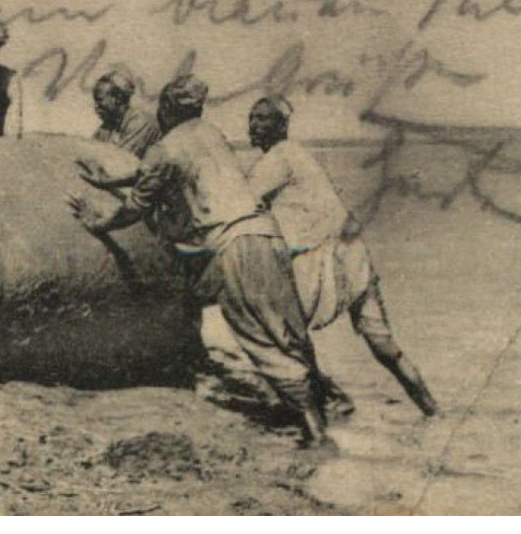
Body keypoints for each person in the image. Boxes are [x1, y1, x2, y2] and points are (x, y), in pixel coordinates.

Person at [72, 75, 330, 447]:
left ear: (168, 108)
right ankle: (324, 412)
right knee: (289, 328)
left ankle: (317, 435)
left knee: (257, 336)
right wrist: (117, 176)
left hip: (232, 244)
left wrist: (99, 220)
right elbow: (172, 172)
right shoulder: (211, 135)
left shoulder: (165, 147)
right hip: (268, 233)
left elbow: (136, 205)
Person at [247, 96, 440, 418]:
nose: (254, 125)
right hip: (351, 255)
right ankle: (432, 411)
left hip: (321, 258)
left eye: (263, 119)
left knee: (286, 334)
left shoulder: (277, 160)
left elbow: (239, 201)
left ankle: (328, 400)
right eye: (253, 118)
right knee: (383, 345)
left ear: (282, 125)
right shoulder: (296, 155)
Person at [92, 70, 161, 157]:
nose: (96, 106)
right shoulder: (107, 127)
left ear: (118, 98)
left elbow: (120, 161)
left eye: (99, 100)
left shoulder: (142, 123)